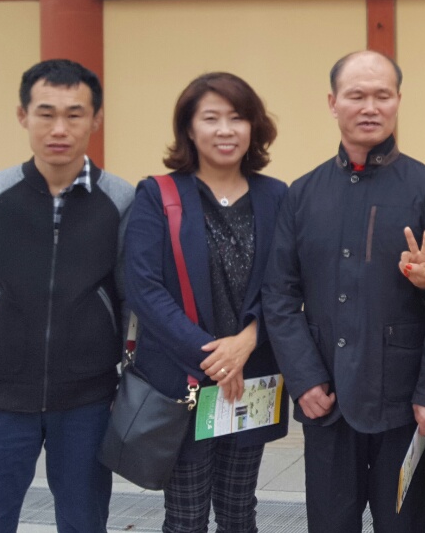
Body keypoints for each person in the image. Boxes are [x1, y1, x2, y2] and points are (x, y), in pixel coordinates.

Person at [262, 50, 425, 533]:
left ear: (398, 101)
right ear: (333, 103)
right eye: (356, 96)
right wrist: (304, 379)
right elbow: (279, 295)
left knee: (407, 525)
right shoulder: (302, 193)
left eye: (382, 96)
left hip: (405, 402)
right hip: (325, 396)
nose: (370, 107)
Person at [0, 59, 134, 533]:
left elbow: (135, 303)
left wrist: (130, 384)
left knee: (85, 524)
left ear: (96, 119)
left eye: (74, 114)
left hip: (89, 403)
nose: (59, 129)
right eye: (46, 113)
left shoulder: (122, 200)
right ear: (22, 115)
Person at [122, 72, 289, 533]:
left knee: (239, 513)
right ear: (189, 129)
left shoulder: (276, 196)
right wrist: (214, 356)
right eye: (211, 118)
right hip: (185, 380)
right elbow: (144, 288)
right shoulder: (158, 194)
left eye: (237, 118)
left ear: (253, 127)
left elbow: (288, 283)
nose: (225, 130)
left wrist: (247, 342)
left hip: (252, 377)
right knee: (186, 517)